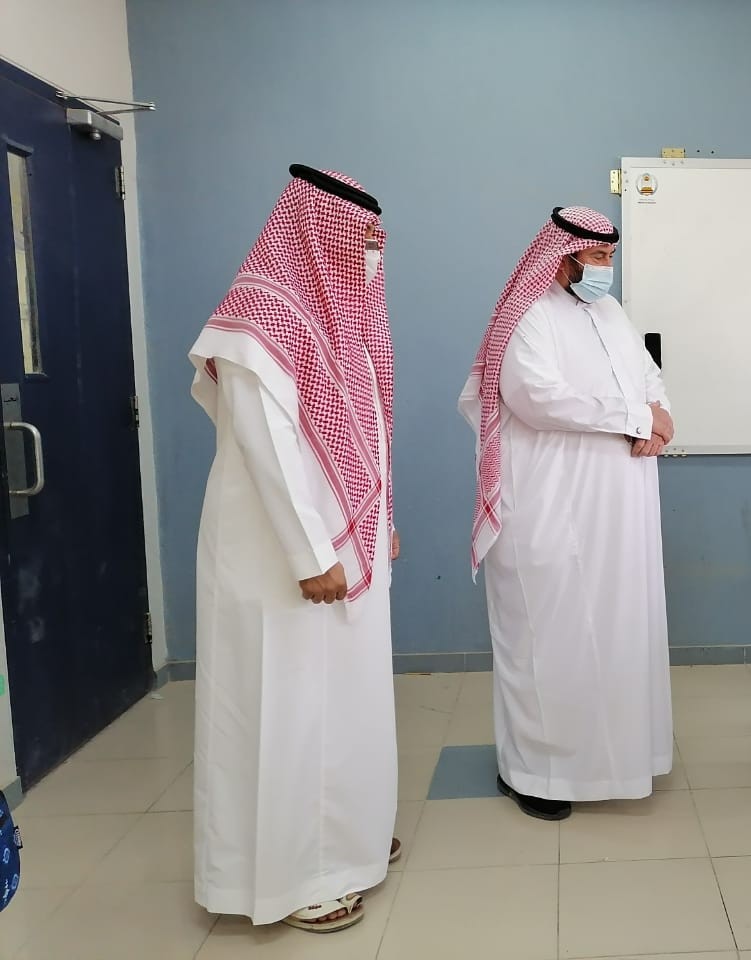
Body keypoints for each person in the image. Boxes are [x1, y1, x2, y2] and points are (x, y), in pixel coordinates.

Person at [189, 165, 399, 933]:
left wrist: (381, 522)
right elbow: (266, 444)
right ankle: (294, 877)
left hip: (342, 547)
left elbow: (366, 438)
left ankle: (349, 839)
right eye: (363, 233)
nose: (374, 247)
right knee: (288, 709)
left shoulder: (344, 324)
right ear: (318, 229)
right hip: (281, 557)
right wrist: (312, 553)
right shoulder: (260, 321)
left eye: (378, 235)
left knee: (345, 704)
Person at [458, 206, 674, 821]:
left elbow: (648, 377)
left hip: (620, 506)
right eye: (597, 257)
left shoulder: (611, 312)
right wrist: (635, 418)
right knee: (548, 637)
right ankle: (535, 773)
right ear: (562, 256)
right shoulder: (525, 316)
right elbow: (537, 398)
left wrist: (660, 417)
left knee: (617, 627)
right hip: (548, 505)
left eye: (610, 257)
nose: (606, 269)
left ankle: (618, 761)